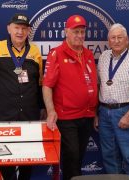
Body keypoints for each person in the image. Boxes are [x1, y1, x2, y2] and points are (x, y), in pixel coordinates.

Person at [0, 13, 45, 180]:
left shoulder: (35, 52)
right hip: (5, 115)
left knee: (28, 158)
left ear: (28, 31)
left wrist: (42, 107)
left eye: (24, 28)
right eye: (17, 28)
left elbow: (39, 82)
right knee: (6, 159)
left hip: (29, 115)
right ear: (9, 28)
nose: (20, 32)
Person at [42, 14, 98, 180]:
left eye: (82, 32)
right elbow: (47, 85)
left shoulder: (88, 54)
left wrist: (95, 112)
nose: (80, 35)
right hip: (67, 117)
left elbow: (92, 85)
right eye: (76, 32)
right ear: (66, 31)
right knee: (71, 156)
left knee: (78, 157)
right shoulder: (56, 54)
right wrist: (51, 110)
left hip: (87, 115)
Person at [95, 23, 129, 180]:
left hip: (125, 111)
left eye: (120, 37)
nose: (117, 41)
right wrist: (96, 113)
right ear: (108, 40)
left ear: (127, 40)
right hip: (104, 113)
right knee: (109, 157)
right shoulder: (104, 57)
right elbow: (99, 86)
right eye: (113, 37)